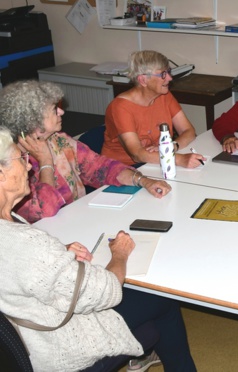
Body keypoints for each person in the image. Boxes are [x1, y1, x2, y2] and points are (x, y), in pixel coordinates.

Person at [0, 127, 197, 371]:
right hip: (61, 343)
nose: (30, 167)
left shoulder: (10, 226)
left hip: (32, 327)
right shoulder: (26, 243)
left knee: (151, 312)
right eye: (21, 159)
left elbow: (19, 261)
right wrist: (120, 253)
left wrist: (59, 249)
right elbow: (106, 292)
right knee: (162, 298)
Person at [0, 80, 172, 224]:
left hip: (80, 221)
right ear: (33, 122)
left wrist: (143, 180)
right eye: (54, 109)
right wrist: (46, 162)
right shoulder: (12, 163)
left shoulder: (59, 140)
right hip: (47, 238)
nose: (61, 111)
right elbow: (45, 213)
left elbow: (100, 167)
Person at [102, 50, 205, 168]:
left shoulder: (164, 95)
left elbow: (189, 131)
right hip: (121, 169)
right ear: (143, 80)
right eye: (163, 74)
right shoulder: (120, 107)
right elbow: (137, 154)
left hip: (154, 162)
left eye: (169, 72)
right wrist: (179, 159)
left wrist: (171, 146)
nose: (170, 78)